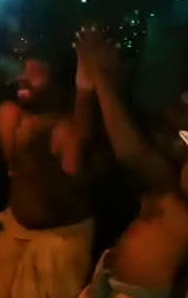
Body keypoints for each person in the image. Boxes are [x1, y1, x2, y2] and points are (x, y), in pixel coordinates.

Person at [76, 29, 188, 298]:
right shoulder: (169, 136)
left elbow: (134, 155)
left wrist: (101, 76)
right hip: (113, 278)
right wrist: (95, 80)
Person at [0, 42, 97, 298]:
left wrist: (84, 92)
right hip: (14, 233)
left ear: (57, 85)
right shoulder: (6, 114)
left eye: (35, 73)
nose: (23, 78)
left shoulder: (63, 128)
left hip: (58, 244)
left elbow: (74, 168)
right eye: (24, 71)